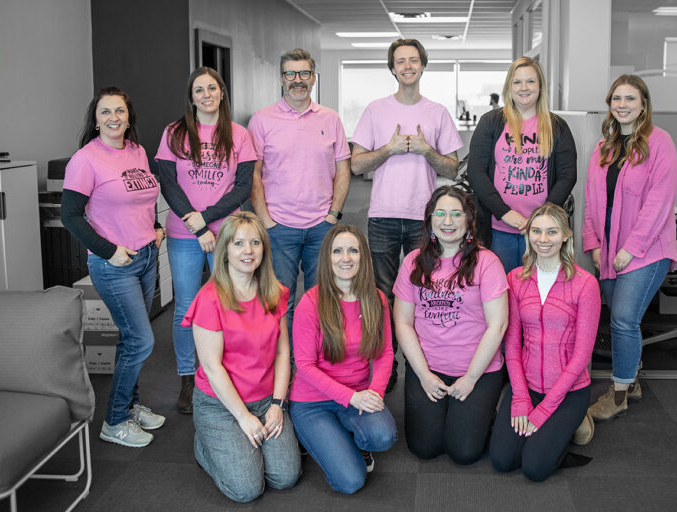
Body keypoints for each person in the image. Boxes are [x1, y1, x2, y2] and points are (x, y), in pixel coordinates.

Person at [351, 38, 463, 391]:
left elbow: (453, 167)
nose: (408, 66)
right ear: (393, 68)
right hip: (383, 215)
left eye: (414, 60)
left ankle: (422, 362)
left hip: (423, 217)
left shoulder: (437, 112)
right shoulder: (375, 110)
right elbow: (356, 164)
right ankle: (388, 366)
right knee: (383, 295)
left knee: (423, 291)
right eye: (401, 61)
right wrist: (390, 149)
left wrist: (428, 150)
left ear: (423, 65)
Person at [62, 87, 165, 447]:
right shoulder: (85, 160)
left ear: (128, 116)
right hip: (115, 264)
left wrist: (154, 228)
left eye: (119, 111)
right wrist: (108, 251)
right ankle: (115, 420)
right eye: (105, 112)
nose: (113, 118)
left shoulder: (136, 151)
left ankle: (132, 406)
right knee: (141, 340)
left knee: (130, 338)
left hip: (146, 256)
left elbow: (143, 196)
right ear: (95, 118)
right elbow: (70, 216)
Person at [156, 67, 256, 414]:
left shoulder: (239, 134)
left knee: (229, 302)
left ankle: (228, 374)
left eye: (212, 88)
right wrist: (197, 225)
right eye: (199, 90)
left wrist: (210, 217)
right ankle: (188, 377)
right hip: (185, 234)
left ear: (222, 92)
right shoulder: (174, 133)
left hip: (227, 234)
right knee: (185, 307)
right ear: (191, 96)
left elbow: (243, 187)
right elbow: (168, 183)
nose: (206, 95)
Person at [181, 212, 300, 502]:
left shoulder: (275, 292)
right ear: (225, 250)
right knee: (247, 489)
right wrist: (243, 417)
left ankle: (241, 443)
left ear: (264, 249)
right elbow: (211, 366)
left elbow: (284, 352)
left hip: (265, 399)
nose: (248, 251)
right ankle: (205, 444)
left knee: (285, 478)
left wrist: (277, 404)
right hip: (221, 404)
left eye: (255, 243)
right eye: (239, 243)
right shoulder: (209, 299)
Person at [583, 75, 677, 422]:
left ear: (643, 103)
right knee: (621, 319)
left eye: (630, 98)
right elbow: (593, 200)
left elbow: (659, 202)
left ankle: (619, 393)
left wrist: (632, 248)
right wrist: (594, 243)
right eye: (616, 99)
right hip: (608, 250)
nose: (622, 105)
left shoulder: (660, 142)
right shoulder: (604, 146)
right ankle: (632, 379)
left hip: (647, 250)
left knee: (623, 320)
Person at [393, 186, 508, 465]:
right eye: (440, 214)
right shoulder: (413, 261)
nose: (448, 221)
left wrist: (470, 378)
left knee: (464, 452)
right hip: (428, 367)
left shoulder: (487, 262)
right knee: (424, 448)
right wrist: (423, 375)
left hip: (477, 370)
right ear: (430, 220)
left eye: (457, 214)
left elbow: (498, 325)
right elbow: (403, 322)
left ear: (469, 221)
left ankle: (491, 406)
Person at [489, 203, 601, 481]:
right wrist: (520, 399)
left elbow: (581, 357)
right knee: (502, 460)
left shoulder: (585, 284)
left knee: (534, 467)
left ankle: (575, 422)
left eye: (552, 232)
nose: (543, 239)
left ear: (566, 235)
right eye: (537, 231)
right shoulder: (515, 279)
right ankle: (549, 433)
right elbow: (512, 347)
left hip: (567, 392)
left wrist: (544, 412)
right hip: (527, 386)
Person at [249, 48, 351, 345]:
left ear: (314, 78)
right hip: (279, 228)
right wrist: (266, 220)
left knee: (321, 302)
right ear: (281, 78)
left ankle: (314, 365)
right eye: (291, 73)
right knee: (283, 304)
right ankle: (288, 369)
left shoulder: (330, 119)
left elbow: (343, 169)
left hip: (321, 227)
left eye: (304, 73)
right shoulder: (262, 120)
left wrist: (333, 215)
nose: (297, 80)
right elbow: (254, 173)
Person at [289, 225, 396, 494]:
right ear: (327, 257)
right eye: (337, 251)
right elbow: (303, 365)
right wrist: (351, 398)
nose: (345, 258)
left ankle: (342, 436)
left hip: (357, 394)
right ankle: (315, 435)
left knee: (383, 436)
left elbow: (384, 353)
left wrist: (374, 392)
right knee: (350, 482)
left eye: (353, 250)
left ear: (363, 257)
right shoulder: (311, 303)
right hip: (312, 402)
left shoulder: (377, 299)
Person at [467, 56, 577, 272]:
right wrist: (505, 213)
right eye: (517, 82)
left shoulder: (557, 126)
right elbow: (476, 172)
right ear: (509, 87)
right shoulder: (492, 122)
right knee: (502, 293)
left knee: (539, 294)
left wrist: (541, 216)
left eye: (530, 81)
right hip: (499, 229)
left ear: (540, 86)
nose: (523, 88)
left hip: (543, 231)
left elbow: (567, 174)